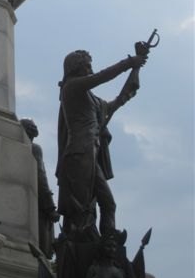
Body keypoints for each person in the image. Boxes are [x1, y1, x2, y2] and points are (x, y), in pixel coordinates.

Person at [56, 48, 148, 236]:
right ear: (75, 67)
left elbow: (118, 102)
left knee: (108, 204)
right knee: (82, 210)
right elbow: (101, 77)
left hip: (91, 154)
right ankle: (79, 249)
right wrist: (130, 62)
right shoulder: (71, 87)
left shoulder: (93, 101)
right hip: (79, 154)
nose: (90, 70)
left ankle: (108, 246)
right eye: (87, 66)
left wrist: (136, 69)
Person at [20, 118, 60, 259]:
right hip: (39, 207)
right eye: (32, 127)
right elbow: (41, 177)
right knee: (42, 252)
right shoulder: (34, 148)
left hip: (24, 206)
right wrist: (50, 207)